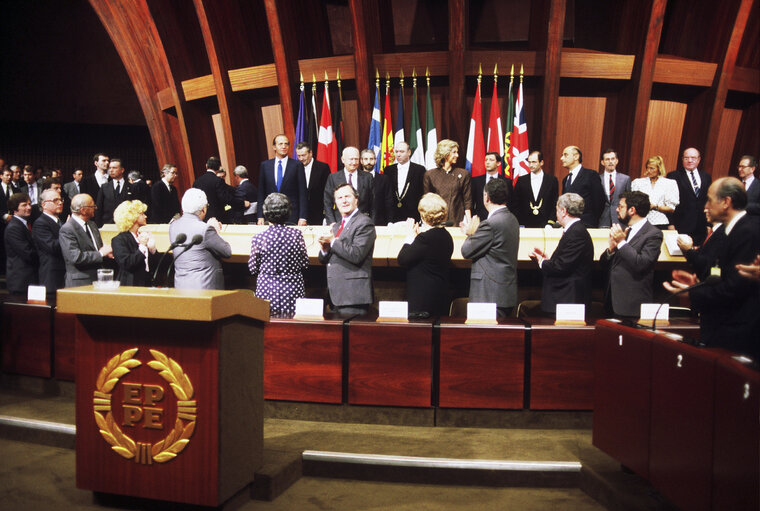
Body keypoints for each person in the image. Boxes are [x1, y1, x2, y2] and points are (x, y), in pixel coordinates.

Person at [664, 178, 760, 358]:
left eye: (709, 199)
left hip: (736, 333)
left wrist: (692, 293)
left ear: (726, 202)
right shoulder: (729, 230)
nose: (705, 206)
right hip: (721, 326)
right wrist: (700, 284)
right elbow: (719, 273)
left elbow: (735, 288)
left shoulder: (747, 231)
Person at [460, 179, 519, 318]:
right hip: (504, 292)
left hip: (489, 295)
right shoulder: (512, 219)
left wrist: (471, 233)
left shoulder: (490, 224)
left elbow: (466, 251)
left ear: (486, 197)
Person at [600, 191, 663, 318]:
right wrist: (611, 250)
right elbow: (605, 265)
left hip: (631, 305)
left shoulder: (653, 234)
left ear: (632, 210)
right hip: (612, 302)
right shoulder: (625, 231)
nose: (617, 210)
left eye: (621, 206)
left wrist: (621, 243)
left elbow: (642, 264)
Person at [529, 193, 594, 315]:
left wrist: (542, 261)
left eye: (557, 210)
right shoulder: (574, 230)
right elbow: (565, 261)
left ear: (563, 211)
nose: (556, 213)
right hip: (565, 299)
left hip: (568, 300)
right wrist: (548, 260)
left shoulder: (576, 233)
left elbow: (561, 266)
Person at [318, 183, 377, 315]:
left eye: (347, 196)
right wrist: (325, 249)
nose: (343, 200)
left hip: (353, 296)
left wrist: (332, 242)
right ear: (335, 203)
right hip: (335, 296)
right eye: (339, 198)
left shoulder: (365, 223)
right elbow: (323, 259)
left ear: (356, 199)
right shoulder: (336, 226)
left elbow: (357, 254)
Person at [248, 193, 309, 316]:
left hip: (267, 290)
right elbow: (304, 263)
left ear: (266, 212)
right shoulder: (296, 235)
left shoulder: (259, 238)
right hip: (292, 290)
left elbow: (253, 268)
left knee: (268, 330)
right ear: (288, 212)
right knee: (292, 329)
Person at [397, 193, 454, 317]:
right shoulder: (446, 236)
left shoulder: (425, 239)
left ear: (423, 215)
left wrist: (410, 237)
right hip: (439, 298)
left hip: (422, 303)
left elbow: (402, 259)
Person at [169, 188, 232, 290]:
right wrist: (215, 230)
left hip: (181, 286)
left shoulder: (173, 226)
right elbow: (227, 251)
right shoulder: (205, 229)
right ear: (203, 209)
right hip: (205, 288)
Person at [59, 193, 114, 287]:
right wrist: (100, 254)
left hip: (97, 280)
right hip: (80, 283)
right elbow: (75, 257)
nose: (95, 208)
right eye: (92, 206)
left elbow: (98, 248)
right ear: (83, 210)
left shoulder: (92, 225)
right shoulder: (67, 229)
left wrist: (106, 253)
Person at [257, 135, 307, 225]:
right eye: (280, 144)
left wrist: (303, 217)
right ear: (274, 147)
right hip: (270, 215)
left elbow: (303, 193)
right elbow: (261, 192)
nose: (284, 146)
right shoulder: (265, 165)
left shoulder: (297, 165)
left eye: (286, 144)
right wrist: (260, 215)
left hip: (292, 215)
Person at [667, 147, 712, 244]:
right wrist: (670, 224)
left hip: (701, 226)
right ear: (682, 159)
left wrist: (709, 224)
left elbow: (709, 201)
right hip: (680, 225)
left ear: (699, 159)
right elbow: (667, 202)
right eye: (686, 158)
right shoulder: (673, 176)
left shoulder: (706, 177)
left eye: (693, 158)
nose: (690, 160)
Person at [424, 139, 472, 225]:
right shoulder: (430, 175)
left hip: (457, 221)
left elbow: (467, 201)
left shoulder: (463, 174)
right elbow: (427, 202)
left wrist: (469, 223)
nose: (457, 155)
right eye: (454, 152)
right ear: (445, 153)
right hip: (436, 222)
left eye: (457, 152)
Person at [111, 200, 157, 287]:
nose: (146, 216)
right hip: (130, 285)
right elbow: (127, 263)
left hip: (146, 284)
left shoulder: (142, 236)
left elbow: (152, 265)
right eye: (142, 214)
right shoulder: (119, 240)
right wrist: (142, 246)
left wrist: (152, 249)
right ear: (132, 217)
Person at [323, 147, 374, 224]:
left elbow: (374, 204)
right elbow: (327, 203)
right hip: (339, 222)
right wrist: (332, 223)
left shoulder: (368, 177)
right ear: (343, 160)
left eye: (356, 159)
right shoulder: (333, 178)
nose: (354, 162)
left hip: (362, 222)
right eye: (351, 159)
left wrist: (371, 222)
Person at [560, 145, 604, 227]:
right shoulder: (565, 179)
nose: (562, 158)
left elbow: (599, 201)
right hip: (569, 225)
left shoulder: (591, 175)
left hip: (587, 224)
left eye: (565, 155)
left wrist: (592, 220)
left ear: (576, 156)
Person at [32, 189, 66, 296]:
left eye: (61, 200)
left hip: (64, 274)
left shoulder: (61, 221)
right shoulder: (40, 223)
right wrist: (67, 232)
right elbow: (53, 247)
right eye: (55, 200)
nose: (60, 203)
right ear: (44, 204)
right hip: (52, 275)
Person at [631, 155, 679, 228]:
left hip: (660, 223)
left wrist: (655, 207)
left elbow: (671, 208)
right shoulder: (638, 182)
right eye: (647, 167)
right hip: (640, 221)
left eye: (652, 168)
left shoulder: (669, 183)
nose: (648, 171)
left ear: (659, 169)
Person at [383, 141, 426, 222]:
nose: (398, 154)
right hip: (393, 215)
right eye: (396, 152)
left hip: (413, 215)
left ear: (409, 152)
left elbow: (422, 192)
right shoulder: (388, 170)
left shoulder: (419, 170)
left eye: (402, 151)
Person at [513, 151, 558, 227]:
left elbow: (554, 203)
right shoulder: (521, 180)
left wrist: (550, 222)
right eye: (529, 162)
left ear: (541, 162)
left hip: (546, 224)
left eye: (534, 162)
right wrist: (519, 223)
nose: (531, 165)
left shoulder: (552, 180)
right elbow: (515, 204)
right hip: (525, 225)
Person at [4, 193, 38, 294]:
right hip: (21, 281)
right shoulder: (14, 227)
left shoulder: (25, 224)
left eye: (29, 204)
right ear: (15, 209)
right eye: (24, 205)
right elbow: (27, 253)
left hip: (29, 278)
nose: (29, 207)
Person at [194, 156, 246, 222]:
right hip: (218, 218)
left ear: (206, 166)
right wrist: (242, 203)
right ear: (218, 168)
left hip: (202, 218)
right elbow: (226, 198)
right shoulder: (218, 181)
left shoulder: (197, 182)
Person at [295, 142, 330, 225]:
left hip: (318, 214)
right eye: (299, 156)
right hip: (299, 216)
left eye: (303, 155)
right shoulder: (295, 168)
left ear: (310, 153)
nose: (301, 158)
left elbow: (327, 192)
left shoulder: (323, 168)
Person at [471, 152, 511, 221]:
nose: (487, 162)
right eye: (486, 160)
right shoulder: (476, 181)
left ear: (498, 163)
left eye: (491, 160)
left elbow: (510, 203)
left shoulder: (506, 182)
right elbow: (471, 202)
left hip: (500, 219)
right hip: (480, 220)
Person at [598, 149, 631, 228]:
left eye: (613, 159)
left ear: (617, 161)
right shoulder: (597, 179)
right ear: (602, 162)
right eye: (607, 159)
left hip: (620, 220)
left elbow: (629, 200)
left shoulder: (625, 179)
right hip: (602, 219)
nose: (610, 162)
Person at [361, 148, 394, 226]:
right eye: (366, 159)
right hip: (360, 221)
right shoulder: (356, 178)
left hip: (380, 221)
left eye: (371, 159)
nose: (368, 162)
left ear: (375, 161)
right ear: (361, 161)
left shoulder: (384, 179)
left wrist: (390, 221)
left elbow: (389, 201)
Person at [95, 158, 132, 226]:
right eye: (110, 168)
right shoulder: (104, 187)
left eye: (114, 168)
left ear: (122, 170)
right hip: (108, 225)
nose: (111, 170)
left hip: (127, 225)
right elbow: (98, 209)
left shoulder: (132, 187)